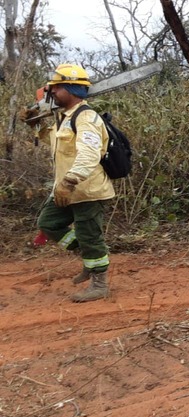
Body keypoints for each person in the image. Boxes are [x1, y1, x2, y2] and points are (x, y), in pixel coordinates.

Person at [36, 63, 115, 302]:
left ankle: (99, 284)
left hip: (86, 190)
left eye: (55, 89)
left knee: (90, 236)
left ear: (69, 89)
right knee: (48, 223)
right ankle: (89, 255)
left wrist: (70, 180)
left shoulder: (86, 117)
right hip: (65, 190)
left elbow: (90, 153)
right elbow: (55, 144)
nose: (51, 94)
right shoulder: (64, 117)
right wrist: (36, 124)